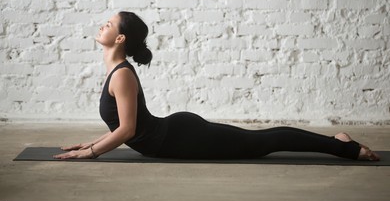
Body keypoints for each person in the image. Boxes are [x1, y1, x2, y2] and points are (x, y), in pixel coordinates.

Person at [54, 12, 380, 161]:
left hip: (180, 137)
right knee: (260, 142)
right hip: (172, 135)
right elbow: (123, 125)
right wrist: (87, 144)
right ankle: (338, 143)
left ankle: (343, 146)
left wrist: (92, 153)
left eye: (109, 23)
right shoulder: (115, 70)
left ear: (120, 38)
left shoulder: (122, 74)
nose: (102, 24)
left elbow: (126, 130)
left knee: (262, 142)